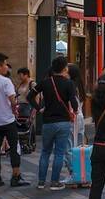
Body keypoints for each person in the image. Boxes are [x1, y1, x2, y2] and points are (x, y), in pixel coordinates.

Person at [29, 56, 78, 190]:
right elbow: (74, 102)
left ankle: (41, 182)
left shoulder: (45, 82)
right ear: (64, 68)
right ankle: (55, 182)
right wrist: (75, 110)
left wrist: (39, 108)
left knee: (45, 152)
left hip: (48, 122)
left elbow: (30, 96)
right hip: (63, 122)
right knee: (59, 153)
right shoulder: (69, 83)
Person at [0, 52, 30, 188]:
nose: (6, 67)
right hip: (7, 120)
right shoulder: (6, 82)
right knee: (14, 147)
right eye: (4, 64)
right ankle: (16, 176)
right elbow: (13, 101)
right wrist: (14, 108)